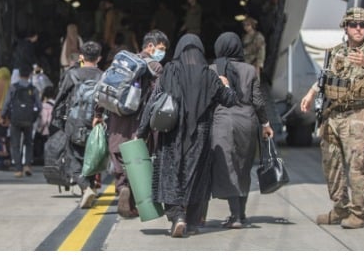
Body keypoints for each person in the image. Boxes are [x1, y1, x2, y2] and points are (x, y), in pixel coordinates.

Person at [136, 34, 237, 237]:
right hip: (200, 135)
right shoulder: (209, 75)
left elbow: (154, 102)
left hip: (172, 132)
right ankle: (191, 221)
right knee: (195, 177)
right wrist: (225, 84)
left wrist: (142, 131)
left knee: (170, 174)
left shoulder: (170, 71)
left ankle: (176, 216)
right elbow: (230, 100)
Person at [300, 7, 364, 229]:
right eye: (353, 25)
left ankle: (359, 213)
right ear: (345, 28)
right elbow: (325, 77)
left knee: (358, 166)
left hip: (359, 115)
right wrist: (311, 94)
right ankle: (340, 208)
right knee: (332, 164)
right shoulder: (337, 51)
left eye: (362, 25)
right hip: (333, 115)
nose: (358, 29)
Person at [209, 31, 273, 229]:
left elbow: (208, 99)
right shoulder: (250, 70)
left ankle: (235, 215)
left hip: (222, 120)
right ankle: (241, 214)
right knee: (243, 167)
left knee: (227, 167)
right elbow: (258, 101)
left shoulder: (212, 69)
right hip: (247, 121)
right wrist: (265, 123)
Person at [107, 29, 169, 218]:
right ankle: (131, 197)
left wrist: (98, 114)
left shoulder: (123, 62)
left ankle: (122, 187)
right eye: (161, 48)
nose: (162, 52)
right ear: (149, 46)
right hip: (138, 121)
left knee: (118, 153)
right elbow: (158, 98)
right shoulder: (156, 67)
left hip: (117, 119)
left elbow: (107, 87)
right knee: (137, 158)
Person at [52, 41, 104, 209]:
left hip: (74, 122)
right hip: (96, 122)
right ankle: (88, 189)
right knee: (92, 156)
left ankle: (85, 187)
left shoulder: (72, 75)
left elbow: (60, 98)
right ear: (99, 58)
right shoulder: (103, 76)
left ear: (81, 56)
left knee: (72, 157)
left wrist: (57, 120)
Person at [1, 63, 41, 178]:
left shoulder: (13, 87)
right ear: (29, 75)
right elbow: (39, 106)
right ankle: (27, 165)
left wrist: (3, 116)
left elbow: (7, 103)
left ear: (19, 75)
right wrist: (34, 116)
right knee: (28, 143)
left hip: (15, 119)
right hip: (28, 119)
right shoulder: (33, 89)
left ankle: (18, 169)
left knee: (15, 144)